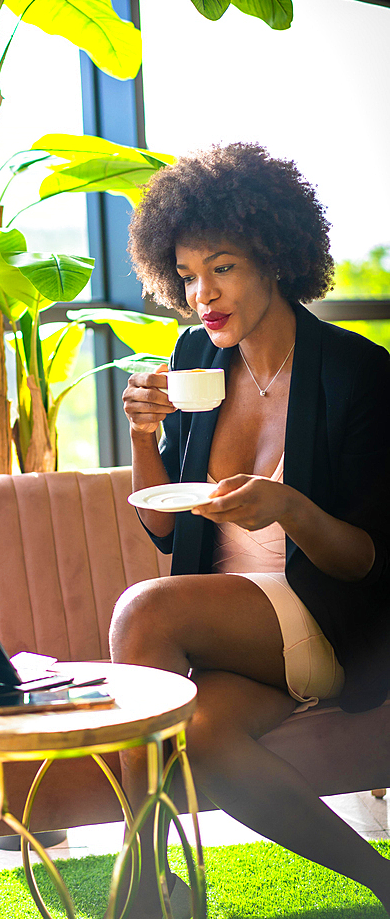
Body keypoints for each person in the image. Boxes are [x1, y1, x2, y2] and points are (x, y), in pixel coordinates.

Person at [111, 142, 390, 918]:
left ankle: (143, 885)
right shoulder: (199, 356)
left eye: (222, 267)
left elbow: (366, 560)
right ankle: (382, 884)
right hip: (245, 630)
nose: (202, 294)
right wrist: (141, 436)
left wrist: (287, 508)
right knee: (199, 733)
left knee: (143, 610)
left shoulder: (356, 373)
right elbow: (166, 532)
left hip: (336, 622)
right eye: (189, 275)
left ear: (274, 256)